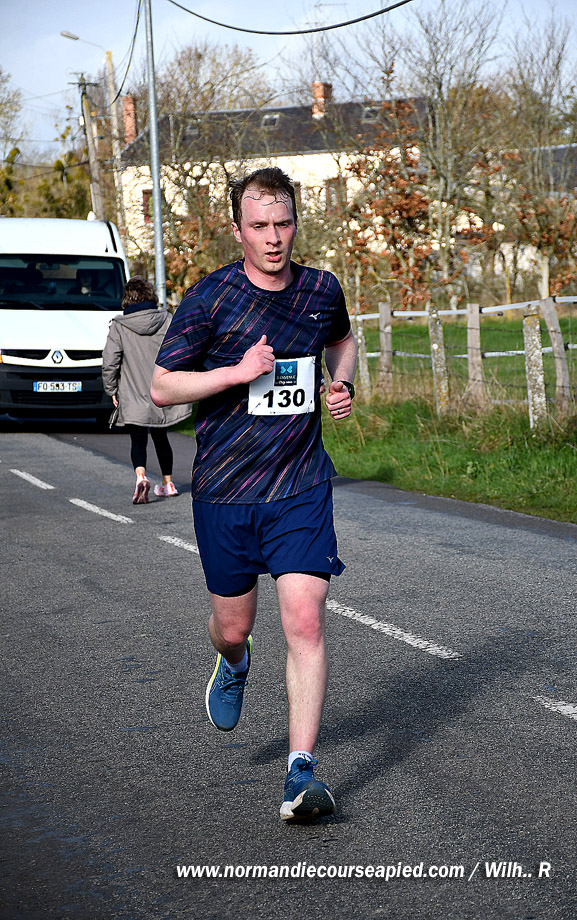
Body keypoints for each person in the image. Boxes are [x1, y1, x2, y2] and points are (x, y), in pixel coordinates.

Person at [150, 166, 356, 821]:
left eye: (283, 224)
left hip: (299, 484)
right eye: (259, 226)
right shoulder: (210, 299)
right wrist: (235, 373)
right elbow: (162, 386)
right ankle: (234, 662)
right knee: (234, 626)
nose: (273, 238)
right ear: (237, 229)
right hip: (226, 492)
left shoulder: (321, 289)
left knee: (305, 619)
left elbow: (342, 341)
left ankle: (301, 774)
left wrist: (341, 383)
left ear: (296, 224)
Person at [102, 277, 192, 503]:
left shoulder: (120, 326)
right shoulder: (166, 319)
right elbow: (180, 350)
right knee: (161, 437)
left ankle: (140, 476)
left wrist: (111, 389)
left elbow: (110, 361)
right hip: (161, 390)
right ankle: (167, 483)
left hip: (133, 393)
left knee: (138, 439)